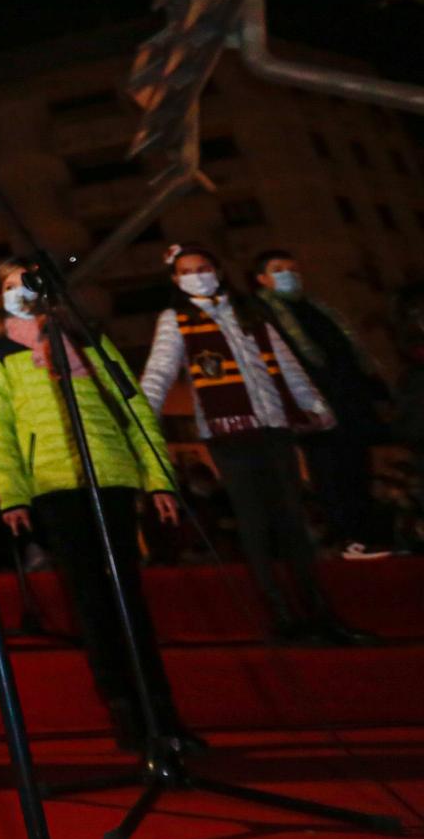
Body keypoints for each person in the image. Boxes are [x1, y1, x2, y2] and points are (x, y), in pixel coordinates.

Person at [0, 258, 200, 752]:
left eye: (28, 283)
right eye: (10, 285)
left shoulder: (88, 339)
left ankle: (161, 713)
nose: (20, 292)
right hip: (54, 484)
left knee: (128, 596)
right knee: (90, 599)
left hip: (112, 473)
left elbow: (133, 405)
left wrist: (160, 480)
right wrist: (12, 494)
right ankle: (123, 708)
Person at [140, 244, 374, 645]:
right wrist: (140, 414)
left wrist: (316, 405)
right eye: (187, 271)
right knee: (254, 524)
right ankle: (280, 616)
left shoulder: (249, 311)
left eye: (204, 267)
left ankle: (319, 613)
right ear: (176, 280)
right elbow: (160, 370)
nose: (198, 274)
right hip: (228, 433)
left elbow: (286, 364)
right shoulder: (175, 319)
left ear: (218, 270)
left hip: (274, 426)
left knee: (292, 523)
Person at [251, 249, 392, 558]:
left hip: (349, 402)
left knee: (358, 469)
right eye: (278, 269)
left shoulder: (318, 308)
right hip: (312, 406)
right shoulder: (263, 313)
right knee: (331, 471)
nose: (288, 274)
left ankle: (366, 534)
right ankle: (348, 537)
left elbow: (350, 352)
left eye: (292, 268)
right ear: (262, 279)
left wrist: (374, 391)